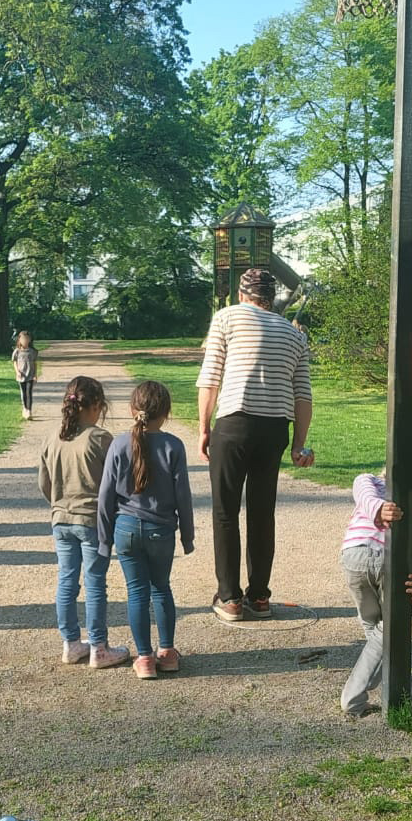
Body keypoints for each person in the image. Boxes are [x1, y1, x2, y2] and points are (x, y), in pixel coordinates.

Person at [195, 267, 313, 624]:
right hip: (275, 428)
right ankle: (259, 596)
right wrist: (299, 444)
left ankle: (230, 598)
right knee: (263, 514)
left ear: (243, 295)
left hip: (234, 423)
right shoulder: (294, 335)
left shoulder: (226, 318)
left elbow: (211, 376)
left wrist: (203, 427)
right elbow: (302, 395)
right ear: (270, 298)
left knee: (225, 511)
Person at [96, 380, 195, 680]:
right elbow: (183, 497)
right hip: (161, 530)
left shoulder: (118, 444)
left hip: (125, 529)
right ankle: (167, 652)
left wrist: (104, 539)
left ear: (132, 410)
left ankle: (144, 657)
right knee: (161, 588)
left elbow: (105, 496)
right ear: (166, 412)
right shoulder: (173, 446)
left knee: (136, 591)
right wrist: (187, 536)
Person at [37, 375, 130, 670]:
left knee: (67, 580)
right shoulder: (101, 439)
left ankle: (71, 643)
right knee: (94, 583)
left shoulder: (53, 438)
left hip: (60, 519)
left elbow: (44, 482)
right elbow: (118, 482)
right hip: (91, 521)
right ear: (97, 406)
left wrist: (57, 502)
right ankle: (99, 646)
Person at [339, 474, 412, 718]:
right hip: (388, 561)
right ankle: (355, 696)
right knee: (391, 629)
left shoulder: (368, 479)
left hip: (354, 557)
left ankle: (402, 686)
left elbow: (363, 495)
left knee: (374, 626)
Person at [11, 331, 38, 420]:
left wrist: (35, 374)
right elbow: (14, 362)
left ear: (29, 340)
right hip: (21, 375)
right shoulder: (17, 351)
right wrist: (17, 372)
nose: (25, 341)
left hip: (30, 374)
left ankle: (29, 410)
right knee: (23, 393)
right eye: (23, 339)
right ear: (19, 340)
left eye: (27, 339)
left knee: (29, 392)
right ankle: (25, 408)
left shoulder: (32, 351)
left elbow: (34, 363)